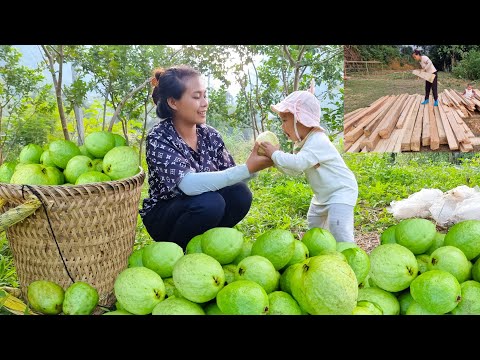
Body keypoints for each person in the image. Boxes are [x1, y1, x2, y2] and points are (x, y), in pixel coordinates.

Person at [140, 65, 273, 250]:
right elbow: (188, 185)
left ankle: (210, 247)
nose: (204, 103)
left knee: (240, 193)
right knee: (211, 203)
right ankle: (178, 250)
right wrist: (246, 168)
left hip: (203, 206)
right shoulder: (159, 137)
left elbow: (231, 178)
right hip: (165, 215)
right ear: (173, 102)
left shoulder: (210, 135)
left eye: (205, 95)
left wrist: (259, 164)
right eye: (196, 97)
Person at [258, 90, 358, 243]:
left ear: (301, 120)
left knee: (338, 228)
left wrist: (275, 154)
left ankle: (350, 255)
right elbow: (294, 170)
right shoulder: (303, 143)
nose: (282, 127)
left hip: (341, 191)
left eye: (284, 120)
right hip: (322, 196)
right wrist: (276, 162)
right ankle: (321, 252)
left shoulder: (318, 140)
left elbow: (298, 163)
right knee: (314, 226)